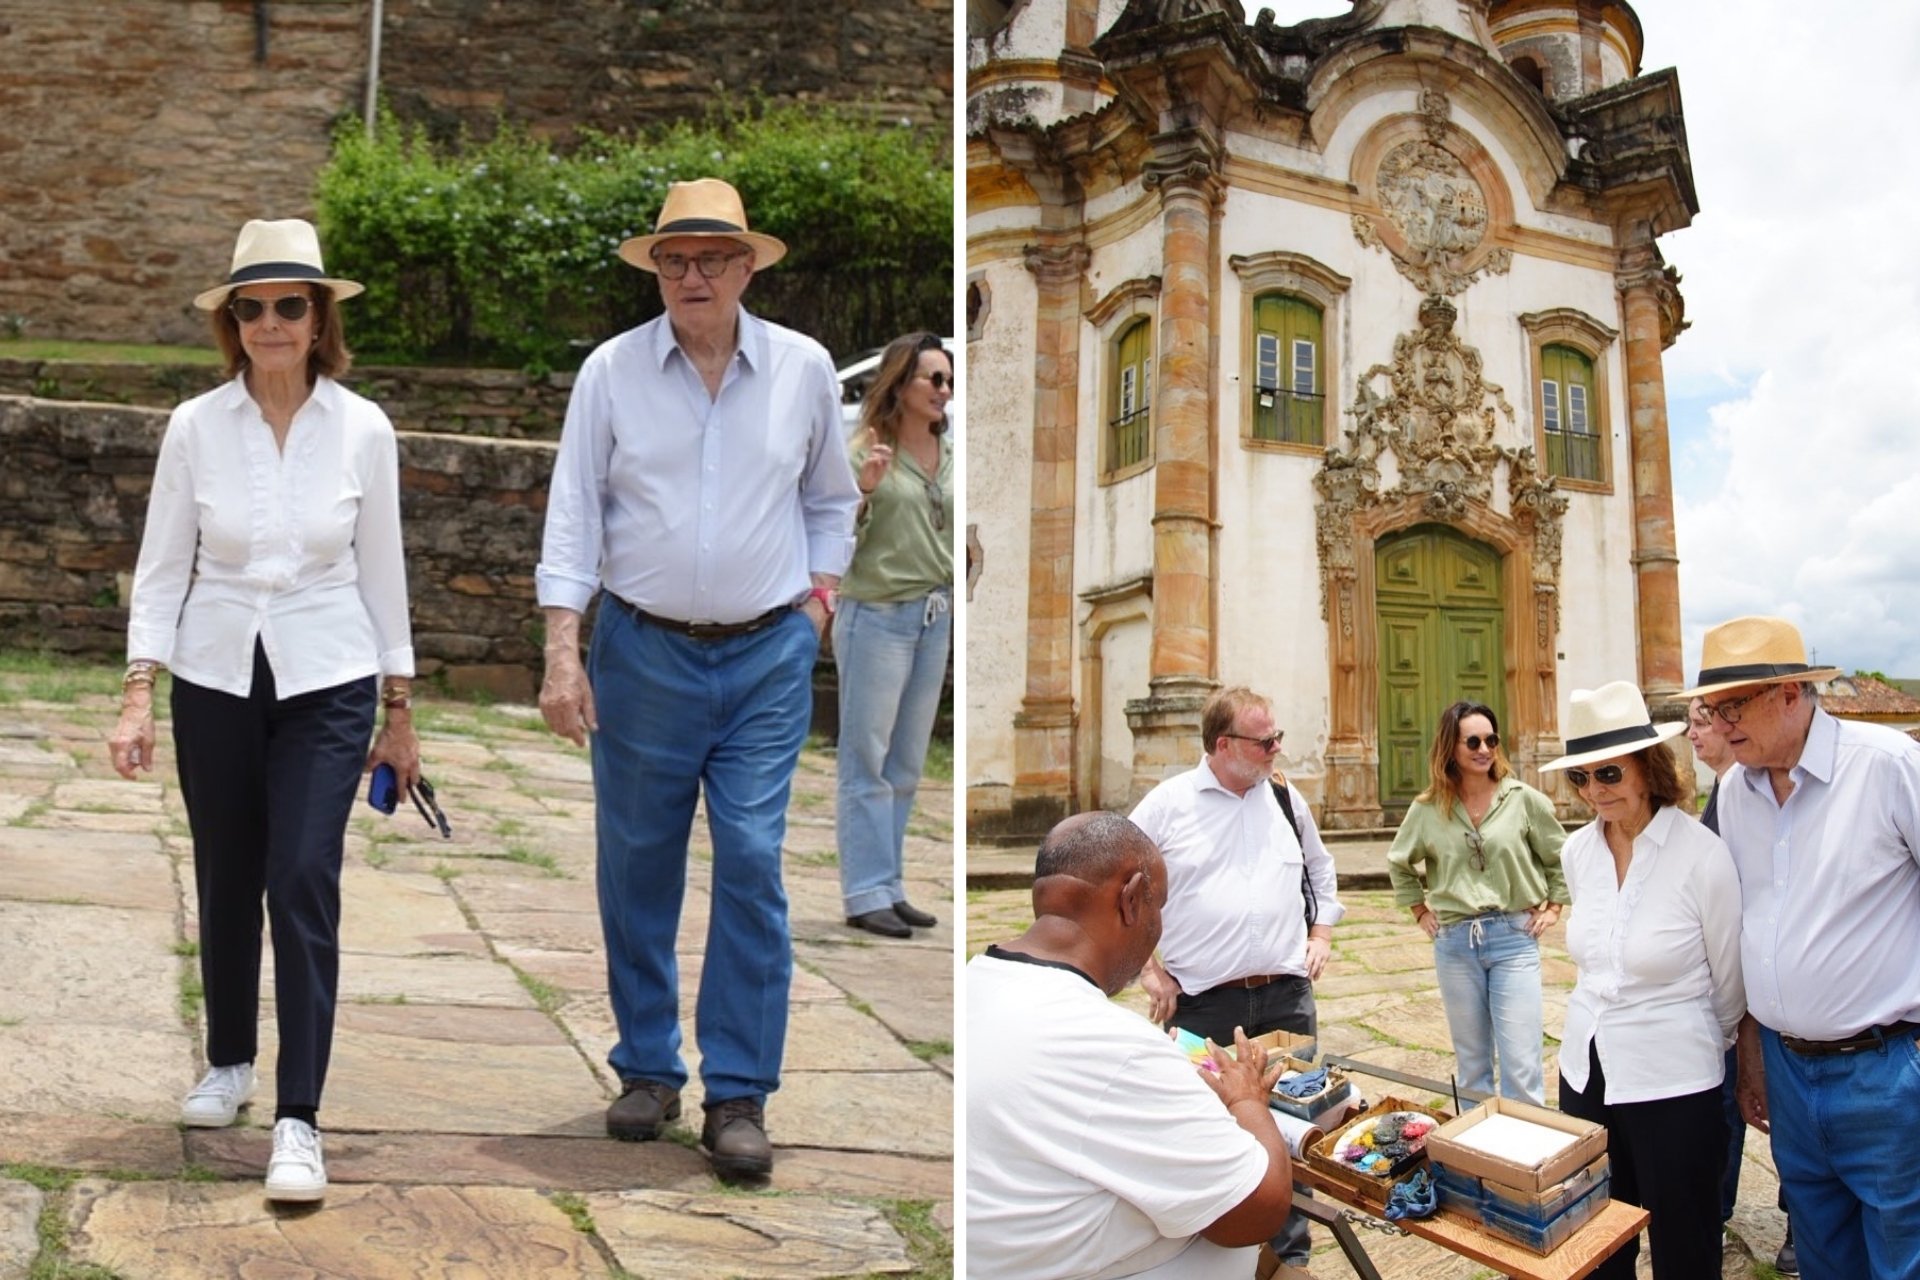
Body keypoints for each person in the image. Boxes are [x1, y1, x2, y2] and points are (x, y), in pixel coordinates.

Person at [535, 178, 860, 1183]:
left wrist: (817, 607)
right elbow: (574, 514)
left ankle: (738, 1092)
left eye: (712, 257)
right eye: (674, 259)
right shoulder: (612, 371)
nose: (692, 274)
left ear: (748, 266)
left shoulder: (802, 368)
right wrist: (561, 646)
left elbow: (832, 502)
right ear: (656, 270)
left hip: (768, 653)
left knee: (754, 862)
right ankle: (646, 1067)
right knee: (637, 861)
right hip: (643, 648)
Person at [107, 218, 419, 1203]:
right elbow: (161, 567)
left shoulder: (364, 426)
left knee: (299, 876)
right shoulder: (196, 426)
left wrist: (399, 710)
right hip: (214, 672)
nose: (274, 321)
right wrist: (135, 695)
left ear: (319, 316)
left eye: (293, 304)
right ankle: (230, 1060)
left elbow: (385, 574)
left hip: (328, 677)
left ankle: (300, 1116)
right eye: (255, 306)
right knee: (227, 870)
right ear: (232, 321)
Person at [1686, 616, 1920, 1280]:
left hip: (1888, 1067)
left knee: (1903, 1255)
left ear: (1790, 693)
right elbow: (1751, 930)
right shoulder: (1735, 792)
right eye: (1710, 710)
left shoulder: (1888, 767)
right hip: (1788, 1071)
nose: (1719, 723)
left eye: (1733, 706)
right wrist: (1754, 1054)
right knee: (1820, 1250)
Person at [967, 811, 1295, 1278]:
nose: (1157, 924)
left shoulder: (975, 981)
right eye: (1159, 904)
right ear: (1131, 898)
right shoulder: (1115, 1045)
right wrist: (1246, 1099)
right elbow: (1258, 1210)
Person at [1129, 685, 1340, 1273]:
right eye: (1264, 739)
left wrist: (1319, 935)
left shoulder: (1284, 798)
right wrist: (1150, 970)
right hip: (1204, 1004)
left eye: (1277, 737)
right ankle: (1214, 1261)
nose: (1277, 748)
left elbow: (1322, 871)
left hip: (1286, 997)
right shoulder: (1167, 805)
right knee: (1205, 1131)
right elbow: (1118, 887)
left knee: (1297, 1127)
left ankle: (1288, 1262)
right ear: (1223, 745)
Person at [1540, 682, 1744, 1280]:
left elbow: (1728, 980)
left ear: (1648, 766)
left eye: (1607, 773)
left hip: (1674, 1079)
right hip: (1585, 1071)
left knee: (1685, 1241)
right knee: (1597, 1240)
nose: (1593, 791)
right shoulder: (1578, 852)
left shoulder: (1701, 856)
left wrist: (1709, 1040)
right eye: (1579, 778)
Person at [1386, 701, 1567, 1104]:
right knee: (1472, 1066)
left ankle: (1524, 1161)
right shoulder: (1428, 808)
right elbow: (1399, 861)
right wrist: (1419, 909)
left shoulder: (1522, 799)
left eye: (1491, 739)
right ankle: (1477, 1162)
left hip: (1513, 940)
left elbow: (1559, 856)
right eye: (1473, 740)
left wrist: (1554, 907)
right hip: (1455, 944)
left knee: (1522, 1063)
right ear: (1451, 747)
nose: (1484, 748)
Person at [834, 332, 954, 939]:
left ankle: (891, 886)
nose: (944, 390)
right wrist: (863, 494)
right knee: (866, 759)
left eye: (948, 380)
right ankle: (864, 892)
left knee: (906, 764)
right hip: (876, 615)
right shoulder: (864, 453)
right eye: (933, 379)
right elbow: (830, 536)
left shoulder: (954, 454)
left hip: (933, 617)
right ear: (900, 383)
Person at [1692, 696, 1796, 1270]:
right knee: (1741, 1110)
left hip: (1862, 1040)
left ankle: (1798, 1221)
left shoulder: (1880, 771)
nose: (1702, 733)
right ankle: (1730, 1208)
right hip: (1749, 1002)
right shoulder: (1729, 793)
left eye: (1705, 722)